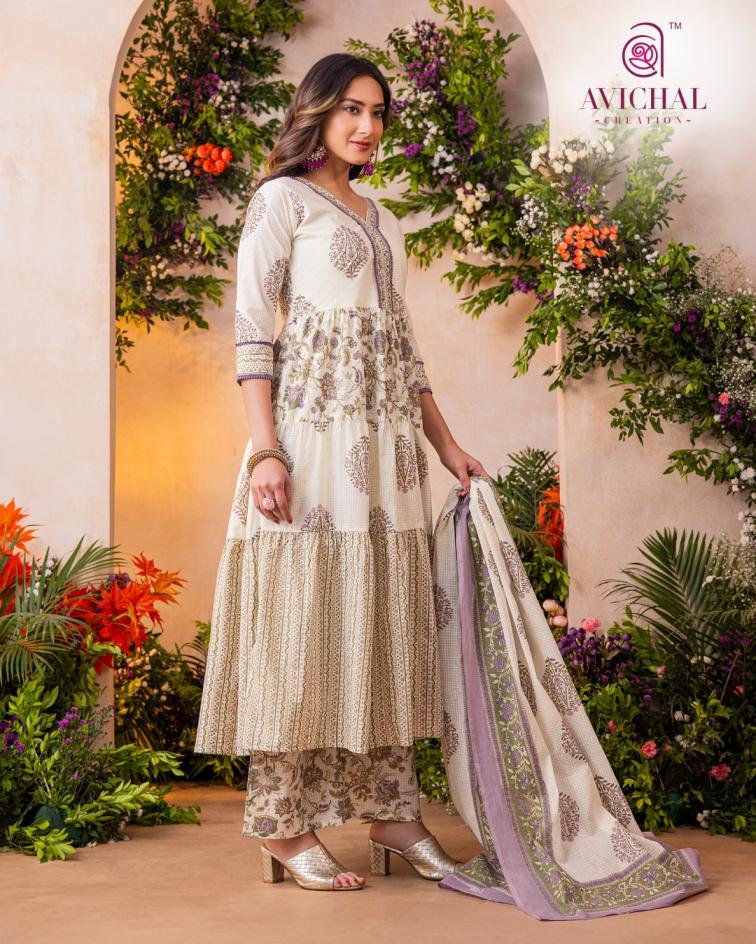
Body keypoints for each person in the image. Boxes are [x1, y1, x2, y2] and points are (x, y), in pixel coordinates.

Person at [194, 52, 489, 891]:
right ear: (317, 113)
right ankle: (285, 827)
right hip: (314, 438)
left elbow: (401, 344)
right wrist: (266, 449)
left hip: (387, 450)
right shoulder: (280, 200)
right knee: (306, 618)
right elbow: (254, 329)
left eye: (379, 112)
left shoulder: (380, 216)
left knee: (379, 619)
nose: (367, 126)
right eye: (352, 109)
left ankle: (392, 813)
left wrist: (445, 444)